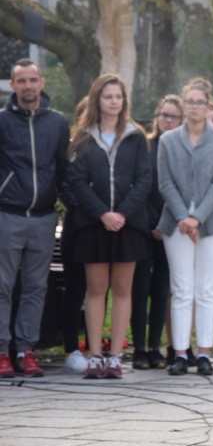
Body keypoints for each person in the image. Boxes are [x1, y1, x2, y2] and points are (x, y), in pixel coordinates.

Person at [67, 74, 152, 379]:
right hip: (93, 223)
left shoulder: (136, 136)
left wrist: (122, 215)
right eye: (108, 97)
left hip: (128, 225)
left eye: (118, 97)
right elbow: (76, 181)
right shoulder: (83, 137)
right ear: (97, 100)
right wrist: (103, 213)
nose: (113, 101)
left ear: (123, 101)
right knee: (96, 289)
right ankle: (95, 356)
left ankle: (115, 357)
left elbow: (144, 179)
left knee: (123, 289)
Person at [0, 59, 70, 378]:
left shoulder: (57, 122)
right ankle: (2, 351)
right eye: (21, 81)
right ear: (12, 85)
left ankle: (27, 349)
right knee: (2, 285)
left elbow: (62, 169)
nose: (28, 86)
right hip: (8, 214)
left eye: (33, 80)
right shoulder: (2, 121)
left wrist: (69, 207)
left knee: (35, 286)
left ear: (41, 82)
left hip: (43, 217)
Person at [158, 80, 213, 376]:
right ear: (183, 106)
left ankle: (203, 352)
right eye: (189, 101)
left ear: (208, 105)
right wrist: (184, 218)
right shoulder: (168, 141)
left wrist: (197, 218)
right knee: (181, 289)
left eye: (199, 102)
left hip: (212, 224)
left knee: (206, 289)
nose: (194, 107)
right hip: (176, 223)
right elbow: (165, 183)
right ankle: (179, 353)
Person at [130, 94, 183, 370]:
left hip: (171, 230)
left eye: (174, 116)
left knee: (162, 290)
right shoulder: (145, 147)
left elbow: (181, 192)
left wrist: (166, 225)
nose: (168, 120)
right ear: (156, 117)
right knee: (139, 289)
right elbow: (138, 186)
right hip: (143, 227)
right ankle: (139, 347)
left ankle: (155, 347)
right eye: (164, 115)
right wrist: (153, 223)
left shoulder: (181, 151)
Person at [58, 97, 90, 373]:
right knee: (75, 288)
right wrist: (84, 208)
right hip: (77, 226)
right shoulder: (70, 147)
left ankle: (95, 346)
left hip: (102, 227)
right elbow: (64, 184)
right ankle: (71, 346)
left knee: (98, 291)